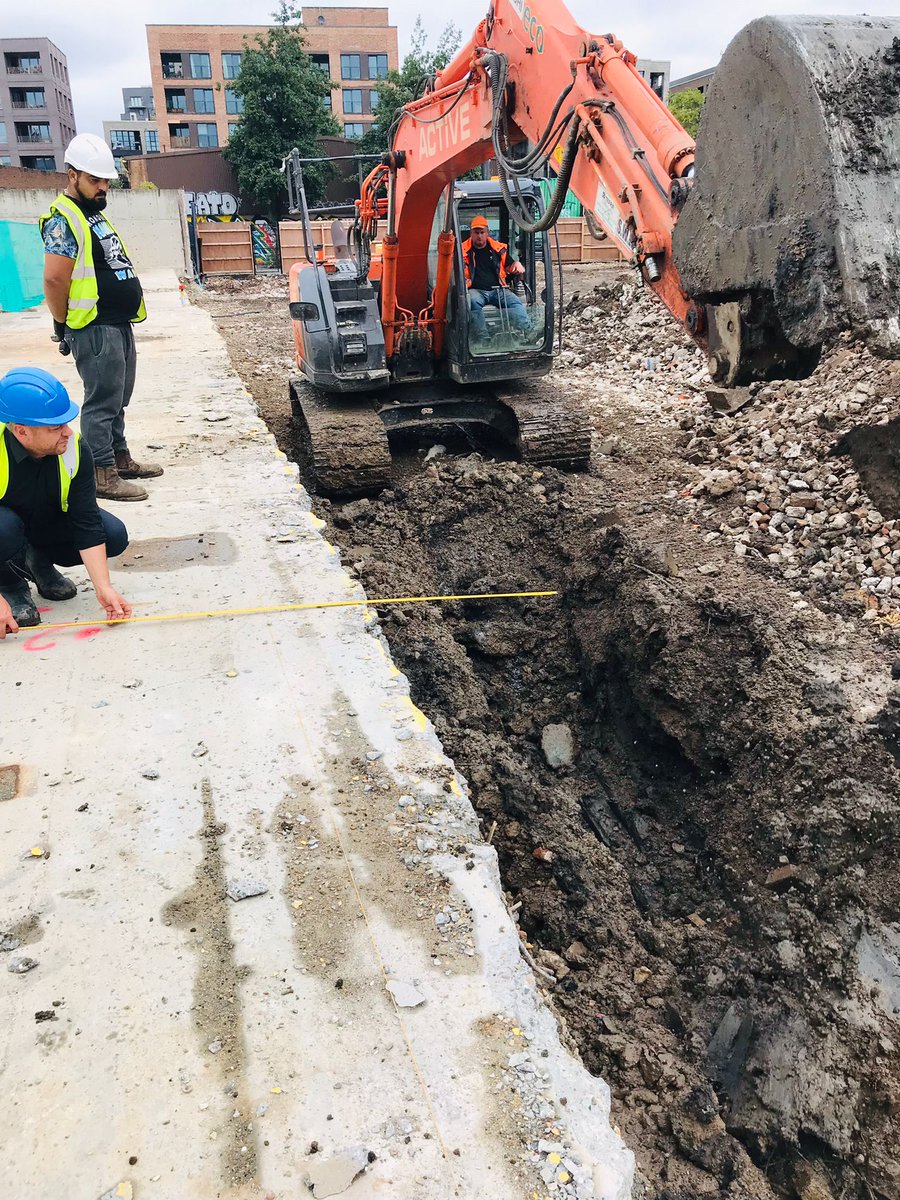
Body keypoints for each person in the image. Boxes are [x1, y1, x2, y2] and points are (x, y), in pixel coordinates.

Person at [40, 132, 163, 503]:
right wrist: (62, 323)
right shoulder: (64, 219)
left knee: (118, 397)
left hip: (116, 322)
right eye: (95, 180)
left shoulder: (92, 215)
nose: (102, 187)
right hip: (94, 325)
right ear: (72, 175)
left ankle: (119, 458)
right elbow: (54, 277)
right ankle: (101, 474)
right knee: (101, 401)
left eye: (106, 180)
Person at [0, 367, 132, 639]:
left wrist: (103, 587)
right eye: (55, 427)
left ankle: (37, 561)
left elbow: (86, 519)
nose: (68, 432)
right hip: (5, 529)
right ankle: (10, 583)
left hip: (41, 521)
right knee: (4, 528)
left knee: (113, 535)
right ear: (22, 431)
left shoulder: (74, 448)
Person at [461, 215, 529, 341]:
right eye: (476, 232)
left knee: (515, 302)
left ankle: (527, 331)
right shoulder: (462, 251)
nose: (479, 236)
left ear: (487, 233)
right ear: (471, 233)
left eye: (482, 232)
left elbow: (510, 265)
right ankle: (483, 337)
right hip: (475, 290)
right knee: (472, 302)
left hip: (499, 290)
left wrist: (517, 264)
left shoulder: (498, 249)